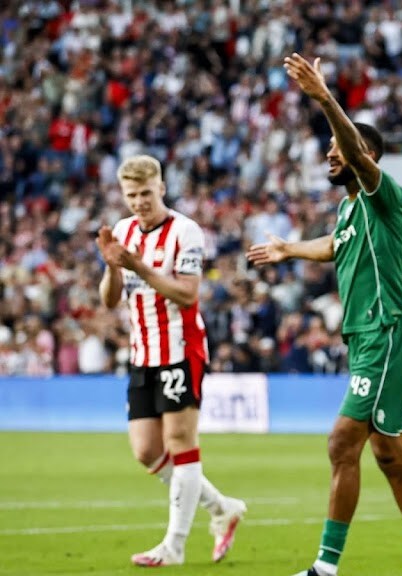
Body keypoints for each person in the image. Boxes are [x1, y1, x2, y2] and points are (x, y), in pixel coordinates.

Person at [246, 54, 402, 576]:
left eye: (338, 148)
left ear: (366, 156)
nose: (330, 154)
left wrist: (323, 98)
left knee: (342, 442)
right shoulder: (347, 211)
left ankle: (324, 567)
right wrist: (289, 249)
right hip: (364, 339)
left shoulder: (386, 198)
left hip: (386, 334)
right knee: (391, 458)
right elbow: (333, 245)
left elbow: (357, 155)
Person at [96, 155, 246, 567]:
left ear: (161, 187)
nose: (139, 202)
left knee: (181, 444)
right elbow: (109, 300)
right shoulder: (123, 231)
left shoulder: (185, 231)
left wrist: (137, 265)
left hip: (180, 350)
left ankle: (174, 546)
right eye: (132, 195)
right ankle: (222, 507)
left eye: (146, 193)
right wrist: (112, 267)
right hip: (141, 354)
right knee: (146, 451)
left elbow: (187, 294)